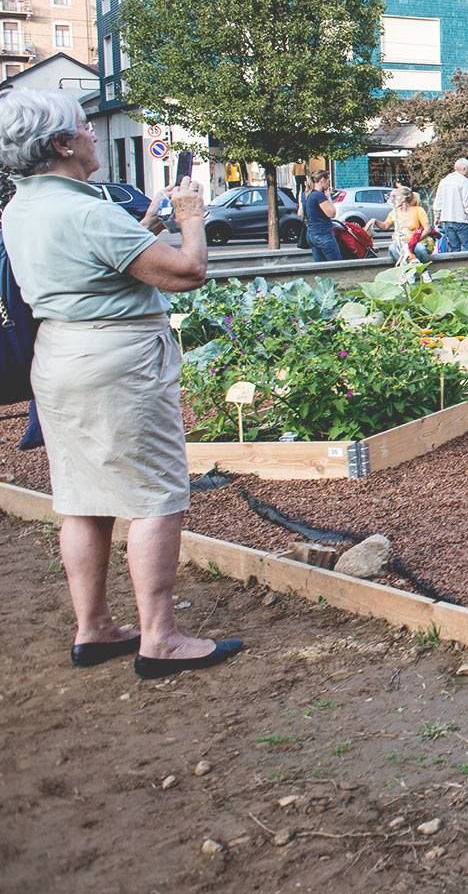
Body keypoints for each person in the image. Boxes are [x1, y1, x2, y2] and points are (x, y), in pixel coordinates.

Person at [0, 89, 241, 677]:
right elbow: (188, 272)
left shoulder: (21, 207)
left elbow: (96, 261)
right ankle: (160, 638)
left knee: (81, 498)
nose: (91, 135)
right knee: (157, 495)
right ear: (62, 144)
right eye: (84, 127)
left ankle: (95, 628)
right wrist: (189, 219)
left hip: (60, 358)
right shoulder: (88, 211)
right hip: (117, 361)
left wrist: (146, 223)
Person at [378, 186, 434, 264]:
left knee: (420, 248)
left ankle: (423, 270)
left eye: (395, 197)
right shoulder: (394, 212)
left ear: (403, 198)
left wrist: (414, 241)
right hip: (402, 244)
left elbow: (427, 229)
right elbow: (385, 226)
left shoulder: (418, 210)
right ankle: (405, 269)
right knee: (392, 248)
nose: (393, 200)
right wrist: (374, 221)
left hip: (417, 242)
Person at [433, 158, 468, 253]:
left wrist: (437, 216)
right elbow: (467, 201)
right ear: (464, 168)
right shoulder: (464, 181)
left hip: (447, 219)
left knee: (454, 248)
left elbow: (438, 200)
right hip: (461, 219)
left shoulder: (444, 181)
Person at [301, 172, 341, 264]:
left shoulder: (306, 195)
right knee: (337, 266)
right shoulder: (319, 196)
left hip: (311, 234)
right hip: (323, 234)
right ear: (322, 180)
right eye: (328, 181)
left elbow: (301, 212)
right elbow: (331, 213)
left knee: (320, 267)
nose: (328, 184)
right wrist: (328, 197)